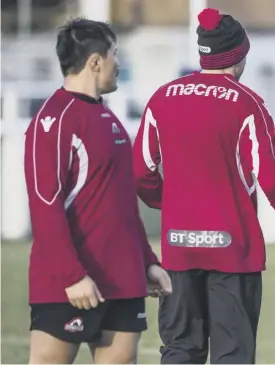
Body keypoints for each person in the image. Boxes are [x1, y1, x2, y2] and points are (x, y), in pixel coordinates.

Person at [132, 8, 275, 364]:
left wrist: (168, 203)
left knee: (180, 350)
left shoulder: (162, 98)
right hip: (234, 252)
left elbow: (141, 171)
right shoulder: (248, 104)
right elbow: (273, 178)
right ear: (240, 55)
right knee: (233, 355)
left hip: (179, 249)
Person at [23, 18, 172, 364]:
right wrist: (72, 276)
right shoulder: (53, 120)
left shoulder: (108, 117)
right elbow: (45, 207)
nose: (118, 63)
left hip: (123, 281)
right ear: (95, 61)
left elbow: (122, 205)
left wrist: (147, 262)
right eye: (114, 54)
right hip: (69, 285)